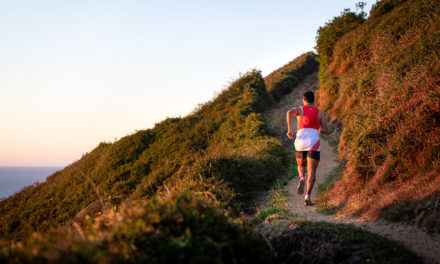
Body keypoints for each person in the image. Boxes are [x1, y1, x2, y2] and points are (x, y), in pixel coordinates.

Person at [286, 91, 328, 205]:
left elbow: (289, 112)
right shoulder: (320, 112)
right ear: (313, 100)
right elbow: (325, 130)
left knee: (301, 165)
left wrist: (290, 130)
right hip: (313, 142)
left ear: (303, 99)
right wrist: (318, 130)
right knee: (312, 171)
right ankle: (308, 196)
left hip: (300, 141)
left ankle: (301, 177)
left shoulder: (300, 110)